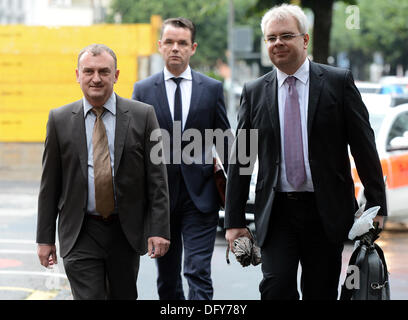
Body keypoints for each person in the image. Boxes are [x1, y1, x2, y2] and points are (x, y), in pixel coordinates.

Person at [224, 4, 387, 300]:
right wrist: (234, 221)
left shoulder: (337, 83)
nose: (278, 43)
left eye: (286, 35)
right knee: (276, 287)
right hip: (276, 211)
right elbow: (241, 159)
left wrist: (377, 205)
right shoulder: (255, 90)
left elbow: (364, 146)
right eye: (271, 38)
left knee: (320, 291)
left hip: (325, 211)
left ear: (305, 40)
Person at [36, 44, 170, 300]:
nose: (95, 78)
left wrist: (159, 229)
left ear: (116, 75)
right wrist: (45, 239)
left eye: (103, 72)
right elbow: (49, 185)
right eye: (88, 71)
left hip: (125, 230)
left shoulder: (143, 116)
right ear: (77, 75)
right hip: (80, 231)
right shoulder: (59, 119)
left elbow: (157, 179)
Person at [132, 17, 230, 300]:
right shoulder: (143, 90)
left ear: (193, 47)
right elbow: (135, 148)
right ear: (160, 46)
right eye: (170, 42)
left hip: (200, 198)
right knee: (167, 278)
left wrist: (235, 200)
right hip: (159, 200)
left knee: (198, 270)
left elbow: (226, 143)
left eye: (182, 43)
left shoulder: (211, 89)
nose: (176, 48)